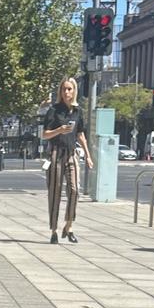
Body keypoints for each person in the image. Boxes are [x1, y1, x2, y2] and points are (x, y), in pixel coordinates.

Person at [41, 78, 92, 244]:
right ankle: (54, 230)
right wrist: (60, 130)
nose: (67, 93)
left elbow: (80, 134)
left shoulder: (78, 112)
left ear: (74, 91)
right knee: (54, 192)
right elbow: (45, 134)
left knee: (74, 189)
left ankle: (69, 226)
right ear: (60, 92)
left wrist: (88, 154)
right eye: (64, 89)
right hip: (56, 153)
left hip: (71, 153)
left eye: (70, 89)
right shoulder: (54, 111)